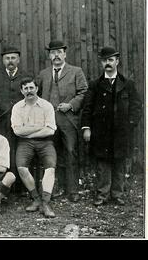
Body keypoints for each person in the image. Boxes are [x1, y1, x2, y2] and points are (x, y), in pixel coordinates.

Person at [81, 47, 142, 206]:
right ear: (101, 63)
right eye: (104, 60)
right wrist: (87, 128)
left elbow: (136, 106)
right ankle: (102, 195)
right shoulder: (95, 84)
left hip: (121, 131)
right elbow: (87, 107)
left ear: (117, 61)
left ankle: (118, 194)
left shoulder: (128, 84)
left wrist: (130, 123)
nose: (107, 63)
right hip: (101, 132)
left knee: (119, 163)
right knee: (103, 164)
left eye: (110, 60)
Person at [37, 40, 88, 203]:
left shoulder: (76, 71)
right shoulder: (43, 74)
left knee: (71, 151)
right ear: (49, 56)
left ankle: (72, 189)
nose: (56, 55)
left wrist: (71, 105)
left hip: (68, 120)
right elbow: (36, 95)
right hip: (48, 121)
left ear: (65, 54)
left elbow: (84, 92)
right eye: (53, 52)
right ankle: (54, 187)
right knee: (52, 154)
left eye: (59, 52)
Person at [11, 77, 57, 218]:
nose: (29, 91)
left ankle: (46, 202)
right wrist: (38, 127)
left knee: (50, 168)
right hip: (25, 143)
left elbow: (50, 130)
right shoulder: (17, 107)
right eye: (25, 88)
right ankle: (36, 198)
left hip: (45, 142)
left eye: (31, 88)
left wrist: (28, 130)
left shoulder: (46, 106)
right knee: (21, 168)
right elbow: (17, 131)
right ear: (21, 91)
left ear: (36, 89)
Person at [0, 45, 29, 195]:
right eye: (7, 58)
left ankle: (20, 188)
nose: (10, 61)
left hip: (20, 121)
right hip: (1, 121)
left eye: (13, 58)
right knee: (3, 152)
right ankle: (3, 188)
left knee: (19, 152)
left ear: (18, 60)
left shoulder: (25, 76)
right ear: (3, 60)